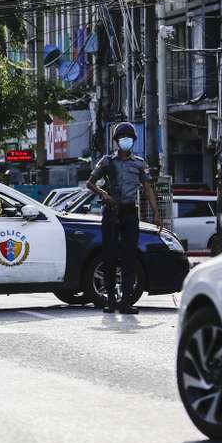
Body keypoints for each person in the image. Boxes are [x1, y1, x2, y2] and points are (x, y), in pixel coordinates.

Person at [86, 122, 161, 315]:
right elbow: (90, 183)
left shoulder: (139, 163)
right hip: (111, 212)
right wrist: (104, 194)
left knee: (129, 257)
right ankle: (110, 300)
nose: (125, 141)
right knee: (110, 256)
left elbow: (148, 190)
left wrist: (156, 213)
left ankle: (126, 301)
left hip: (129, 213)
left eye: (129, 138)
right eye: (122, 138)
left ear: (133, 141)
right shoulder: (106, 162)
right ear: (117, 142)